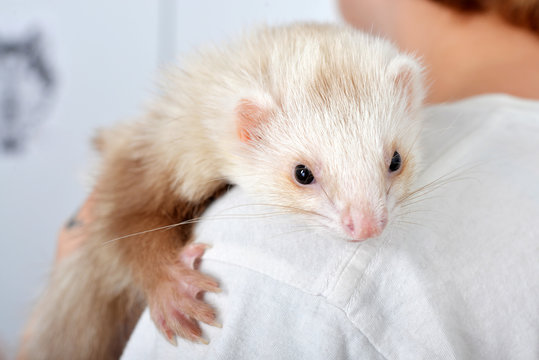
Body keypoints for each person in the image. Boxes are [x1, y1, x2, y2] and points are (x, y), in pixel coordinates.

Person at [50, 0, 539, 358]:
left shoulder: (258, 270)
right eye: (305, 176)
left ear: (406, 97)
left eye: (391, 165)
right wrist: (154, 265)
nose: (370, 224)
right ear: (247, 129)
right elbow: (132, 212)